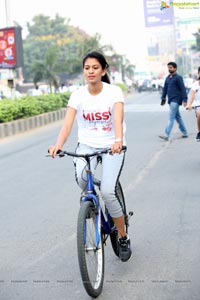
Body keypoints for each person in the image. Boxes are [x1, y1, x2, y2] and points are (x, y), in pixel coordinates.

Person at [49, 51, 132, 262]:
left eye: (95, 68)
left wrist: (118, 140)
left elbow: (118, 118)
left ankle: (122, 236)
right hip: (87, 144)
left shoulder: (113, 92)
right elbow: (68, 124)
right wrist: (58, 145)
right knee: (82, 179)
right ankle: (92, 207)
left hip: (112, 145)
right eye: (87, 68)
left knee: (107, 190)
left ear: (103, 70)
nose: (91, 71)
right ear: (83, 71)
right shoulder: (77, 95)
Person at [159, 62, 188, 141]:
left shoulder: (178, 78)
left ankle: (166, 134)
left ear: (175, 68)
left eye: (171, 67)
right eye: (168, 67)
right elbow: (165, 89)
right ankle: (185, 132)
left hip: (176, 100)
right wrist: (163, 98)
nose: (169, 69)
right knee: (178, 117)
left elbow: (183, 89)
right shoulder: (168, 78)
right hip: (170, 100)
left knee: (171, 117)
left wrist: (185, 100)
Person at [186, 66, 200, 142]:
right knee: (199, 113)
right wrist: (189, 104)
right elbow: (192, 96)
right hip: (198, 105)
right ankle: (199, 132)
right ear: (198, 74)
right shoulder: (195, 85)